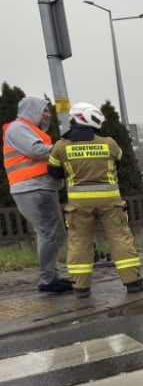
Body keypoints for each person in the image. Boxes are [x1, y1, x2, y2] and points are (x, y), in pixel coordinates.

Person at [46, 102, 143, 299]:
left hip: (79, 205)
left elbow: (54, 172)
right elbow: (118, 160)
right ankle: (133, 282)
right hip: (110, 201)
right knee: (119, 238)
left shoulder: (61, 146)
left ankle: (81, 287)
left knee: (79, 242)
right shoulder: (108, 143)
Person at [3, 96, 73, 294]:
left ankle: (51, 277)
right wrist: (65, 147)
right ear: (32, 110)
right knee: (50, 233)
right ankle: (48, 280)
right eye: (45, 111)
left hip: (39, 187)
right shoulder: (18, 128)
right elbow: (34, 150)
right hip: (31, 188)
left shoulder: (28, 130)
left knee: (52, 233)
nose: (48, 115)